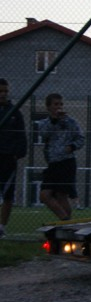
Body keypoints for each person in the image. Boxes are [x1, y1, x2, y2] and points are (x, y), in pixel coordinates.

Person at [39, 93, 84, 221]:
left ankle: (66, 224)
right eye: (55, 104)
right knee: (45, 195)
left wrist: (72, 146)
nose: (59, 107)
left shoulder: (70, 122)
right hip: (53, 163)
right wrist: (54, 120)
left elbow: (81, 138)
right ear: (48, 107)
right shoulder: (44, 123)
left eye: (61, 104)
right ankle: (66, 221)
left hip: (66, 162)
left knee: (61, 195)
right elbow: (44, 134)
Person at [0, 79, 27, 238]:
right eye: (0, 91)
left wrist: (18, 153)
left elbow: (21, 135)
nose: (3, 94)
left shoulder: (14, 112)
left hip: (9, 158)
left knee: (8, 194)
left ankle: (2, 227)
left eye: (5, 91)